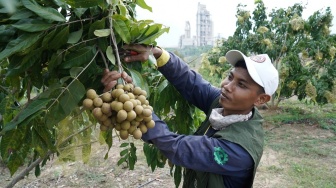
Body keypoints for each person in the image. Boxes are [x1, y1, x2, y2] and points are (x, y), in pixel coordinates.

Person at [101, 44, 279, 188]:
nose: (227, 86)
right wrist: (156, 52)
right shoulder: (225, 104)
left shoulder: (238, 150)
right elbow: (191, 82)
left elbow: (176, 147)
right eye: (230, 76)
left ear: (261, 99)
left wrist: (135, 108)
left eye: (241, 85)